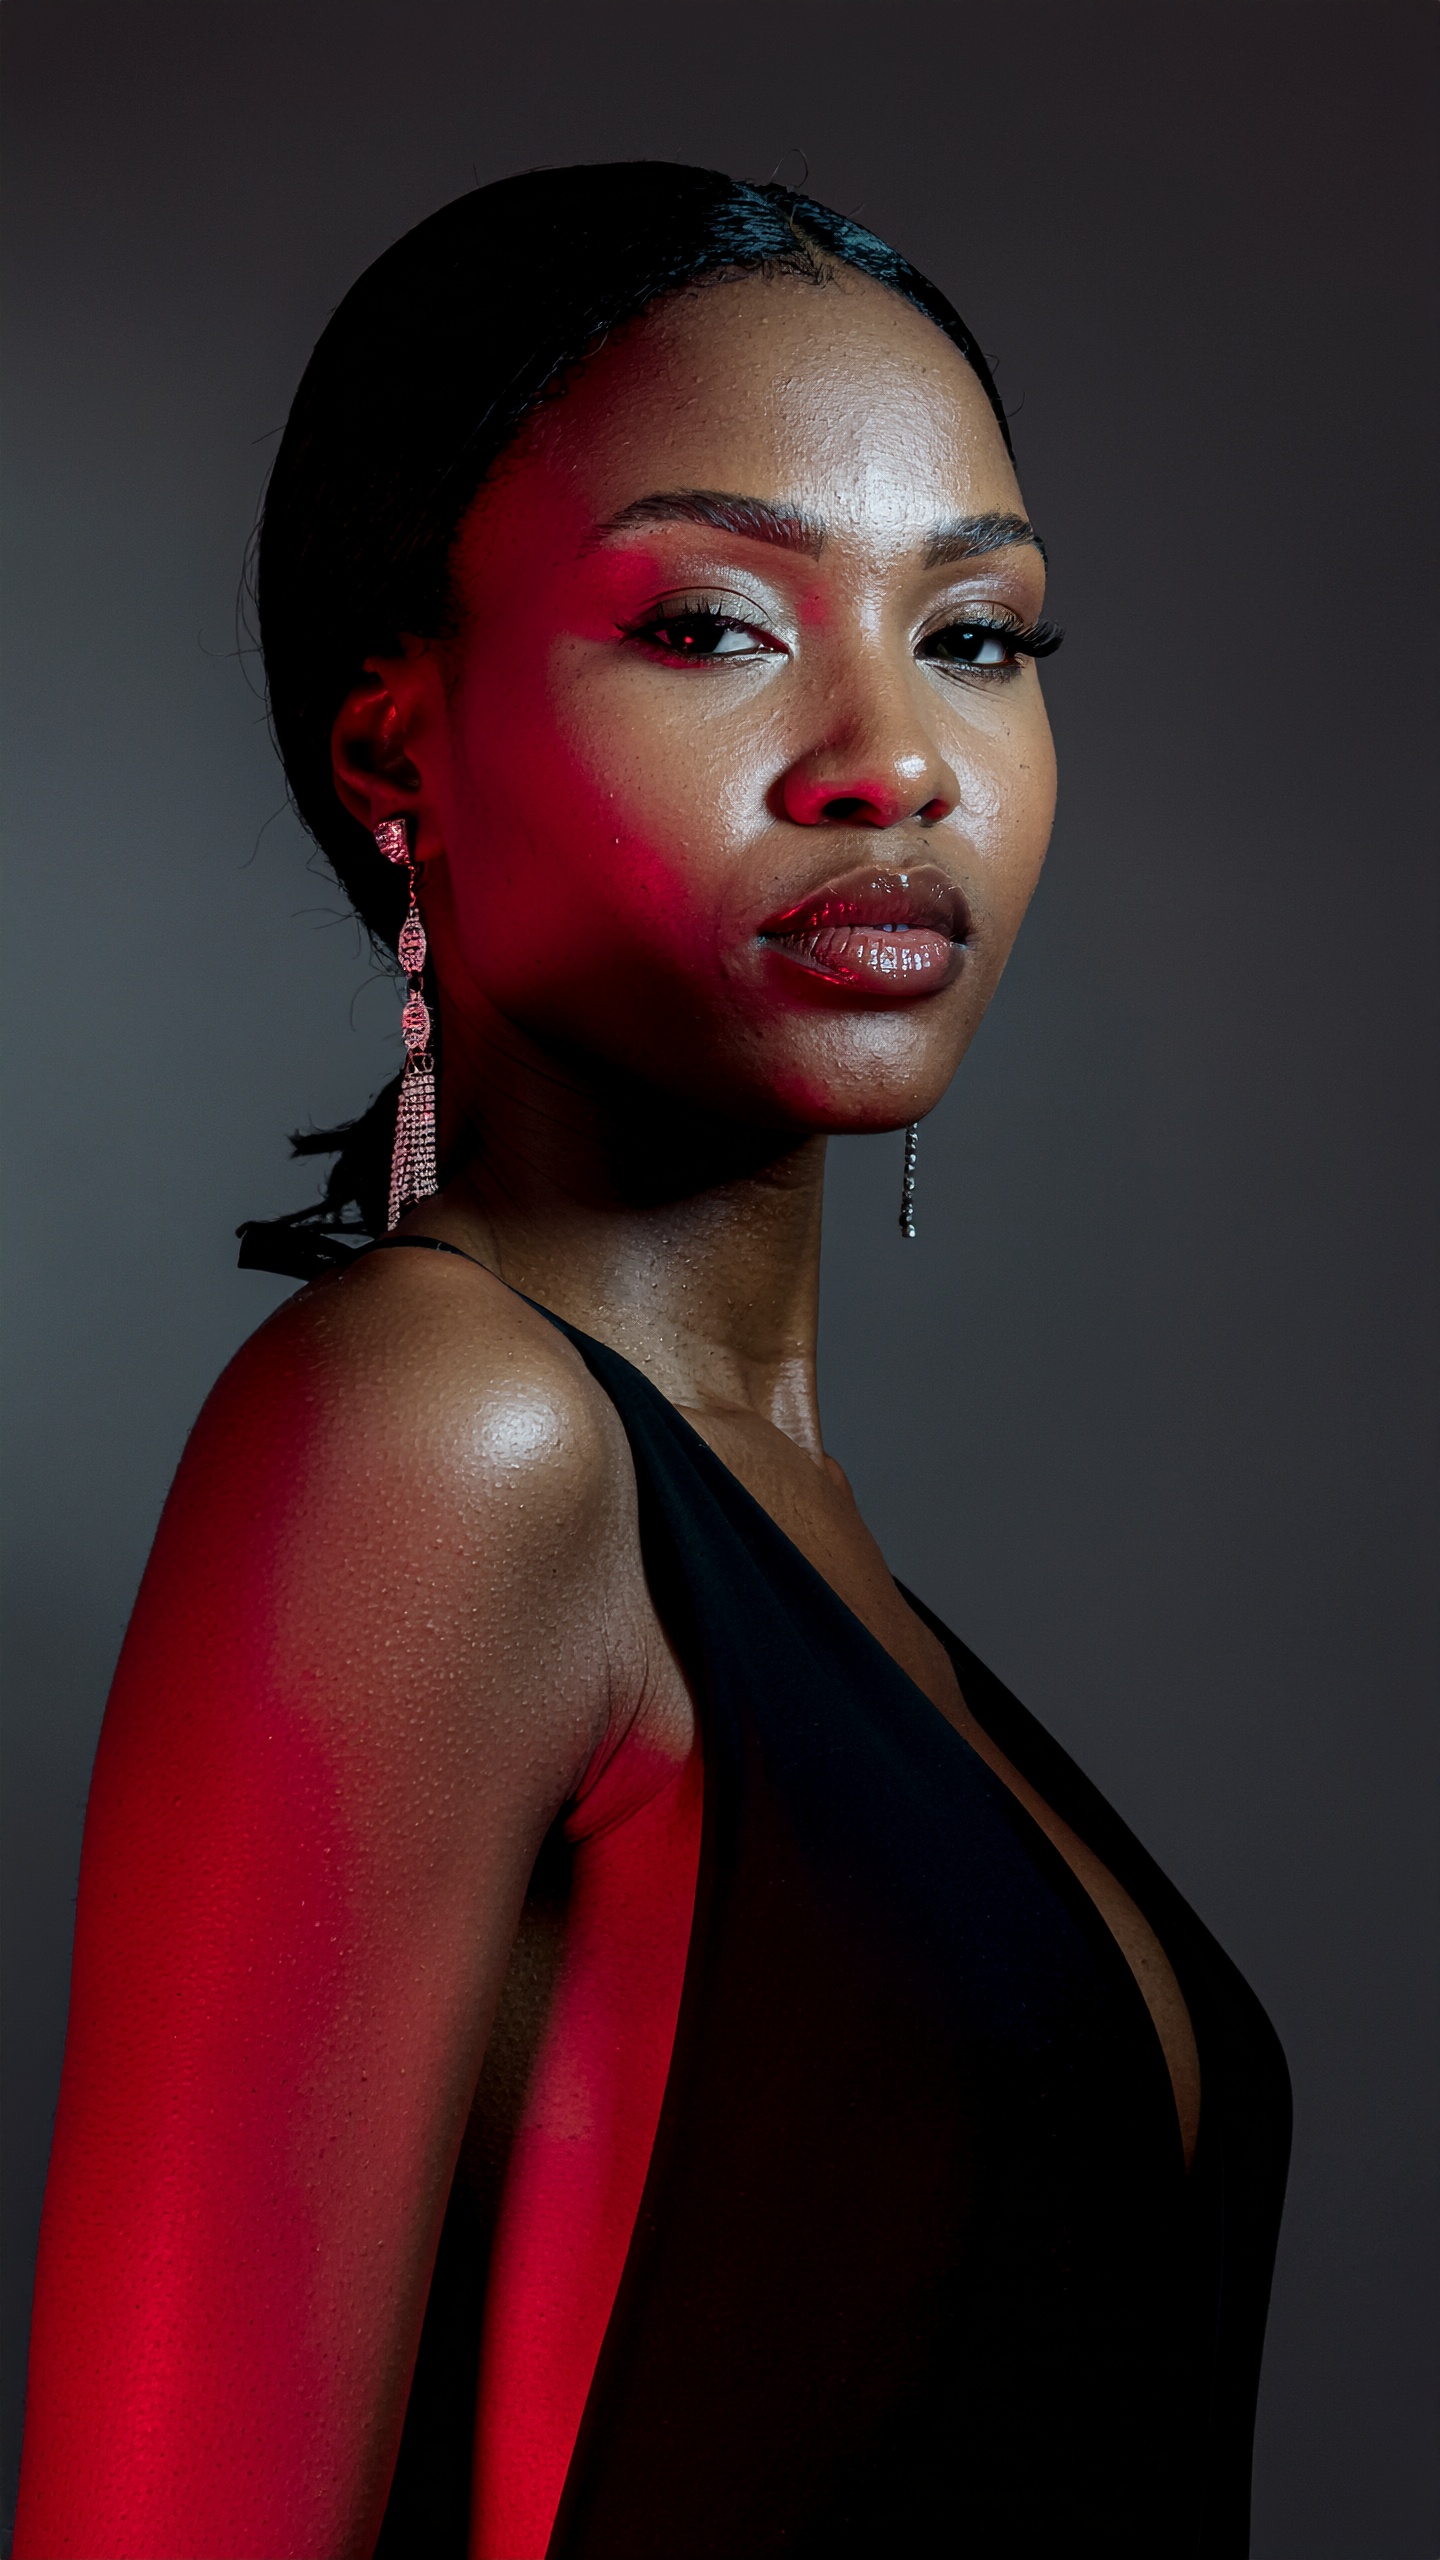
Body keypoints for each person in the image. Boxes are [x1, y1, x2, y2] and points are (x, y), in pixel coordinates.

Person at [13, 164, 1290, 2559]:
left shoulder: (787, 1537)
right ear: (398, 746)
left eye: (981, 636)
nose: (889, 759)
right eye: (715, 623)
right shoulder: (441, 1436)